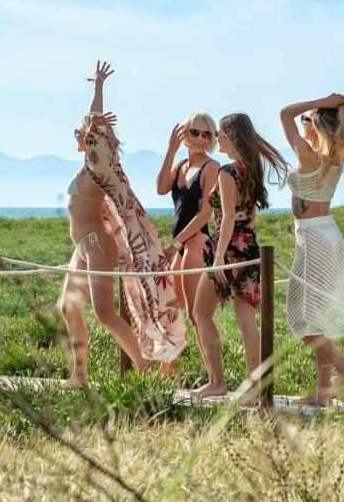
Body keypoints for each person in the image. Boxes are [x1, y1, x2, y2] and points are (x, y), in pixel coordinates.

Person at [58, 61, 187, 386]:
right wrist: (98, 90)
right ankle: (80, 374)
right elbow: (92, 129)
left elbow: (94, 130)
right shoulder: (88, 169)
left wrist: (98, 102)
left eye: (82, 133)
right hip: (83, 247)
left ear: (93, 139)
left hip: (97, 245)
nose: (78, 136)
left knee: (104, 313)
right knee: (67, 308)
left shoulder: (96, 169)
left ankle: (143, 372)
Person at [279, 93, 344, 407]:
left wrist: (322, 101)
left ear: (317, 124)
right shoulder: (336, 157)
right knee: (316, 317)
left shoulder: (309, 156)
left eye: (308, 119)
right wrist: (334, 106)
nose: (302, 121)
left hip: (314, 238)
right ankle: (322, 396)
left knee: (299, 317)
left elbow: (284, 113)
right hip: (327, 234)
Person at [188, 113, 288, 399]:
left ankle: (217, 382)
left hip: (228, 249)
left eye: (220, 133)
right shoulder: (250, 169)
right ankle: (257, 387)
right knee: (247, 322)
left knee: (200, 313)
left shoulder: (227, 173)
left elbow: (228, 218)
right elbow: (250, 217)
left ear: (232, 137)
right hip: (249, 248)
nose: (216, 137)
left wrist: (219, 257)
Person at [156, 112, 221, 325]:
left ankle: (210, 360)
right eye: (194, 132)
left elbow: (205, 214)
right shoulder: (181, 164)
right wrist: (170, 151)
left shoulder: (211, 167)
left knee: (196, 316)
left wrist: (175, 245)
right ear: (185, 132)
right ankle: (167, 360)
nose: (200, 139)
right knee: (173, 313)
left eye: (206, 135)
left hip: (196, 244)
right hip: (181, 245)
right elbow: (161, 189)